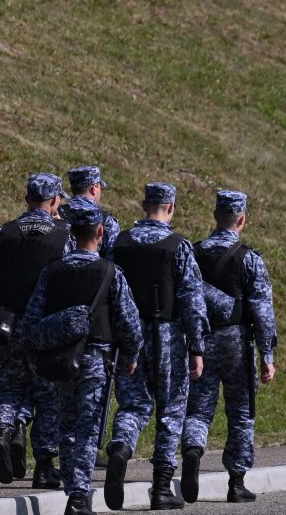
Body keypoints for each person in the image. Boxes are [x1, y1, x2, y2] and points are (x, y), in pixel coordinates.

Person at [16, 197, 143, 515]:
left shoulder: (52, 272)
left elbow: (31, 319)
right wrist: (130, 355)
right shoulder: (111, 273)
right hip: (95, 361)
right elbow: (128, 321)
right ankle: (79, 495)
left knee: (67, 426)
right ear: (101, 231)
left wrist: (33, 354)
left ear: (71, 232)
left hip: (61, 361)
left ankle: (75, 490)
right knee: (88, 427)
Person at [105, 183, 207, 510]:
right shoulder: (178, 247)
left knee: (132, 406)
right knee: (172, 409)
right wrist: (198, 347)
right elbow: (192, 300)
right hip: (169, 337)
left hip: (127, 337)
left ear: (143, 203)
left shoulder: (118, 243)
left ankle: (120, 448)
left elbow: (106, 291)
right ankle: (161, 486)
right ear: (171, 207)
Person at [0, 173, 70, 487]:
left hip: (8, 327)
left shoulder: (5, 234)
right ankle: (44, 466)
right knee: (47, 397)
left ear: (25, 198)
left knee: (10, 389)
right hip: (47, 329)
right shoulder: (63, 234)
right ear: (55, 201)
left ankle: (4, 431)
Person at [182, 190, 278, 504]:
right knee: (241, 412)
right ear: (242, 219)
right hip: (237, 342)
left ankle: (193, 451)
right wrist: (267, 354)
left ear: (215, 216)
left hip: (202, 341)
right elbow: (263, 310)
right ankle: (236, 481)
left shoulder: (194, 252)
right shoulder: (249, 258)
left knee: (198, 410)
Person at [66, 164, 122, 259]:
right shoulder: (107, 221)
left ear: (72, 189)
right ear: (94, 188)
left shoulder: (56, 214)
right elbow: (113, 260)